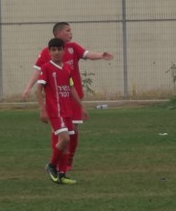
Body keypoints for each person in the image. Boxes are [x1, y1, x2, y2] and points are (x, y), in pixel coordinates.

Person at [22, 22, 114, 169]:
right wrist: (28, 88)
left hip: (72, 97)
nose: (71, 33)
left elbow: (87, 54)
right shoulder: (48, 52)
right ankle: (57, 163)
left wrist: (101, 55)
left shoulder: (73, 48)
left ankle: (69, 159)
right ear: (58, 34)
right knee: (58, 132)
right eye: (68, 31)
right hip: (56, 100)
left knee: (73, 131)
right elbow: (38, 71)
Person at [35, 38, 87, 185]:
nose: (57, 52)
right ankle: (51, 165)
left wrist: (81, 106)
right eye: (54, 50)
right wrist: (42, 109)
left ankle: (62, 175)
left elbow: (71, 89)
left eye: (59, 49)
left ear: (64, 51)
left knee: (66, 145)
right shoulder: (46, 68)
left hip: (67, 112)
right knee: (64, 139)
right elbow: (38, 90)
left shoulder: (67, 68)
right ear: (50, 52)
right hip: (55, 112)